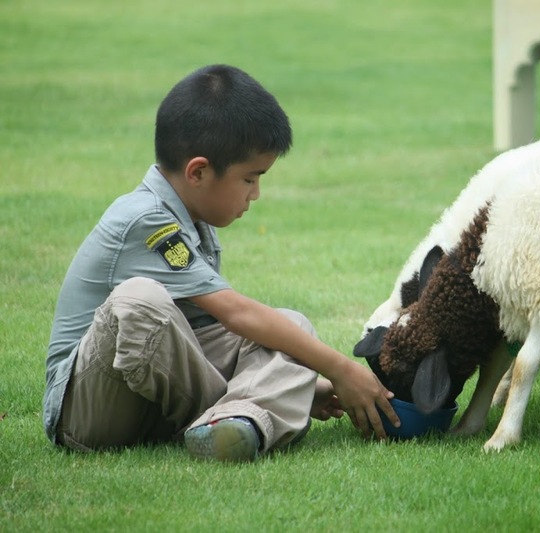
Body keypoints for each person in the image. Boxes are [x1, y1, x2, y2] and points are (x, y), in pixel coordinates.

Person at [43, 64, 399, 462]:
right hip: (89, 411)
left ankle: (238, 424)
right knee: (140, 300)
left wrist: (309, 384)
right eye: (250, 178)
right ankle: (247, 413)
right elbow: (234, 313)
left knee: (291, 325)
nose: (257, 194)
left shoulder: (192, 219)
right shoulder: (146, 218)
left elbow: (197, 341)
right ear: (198, 171)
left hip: (150, 401)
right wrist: (340, 369)